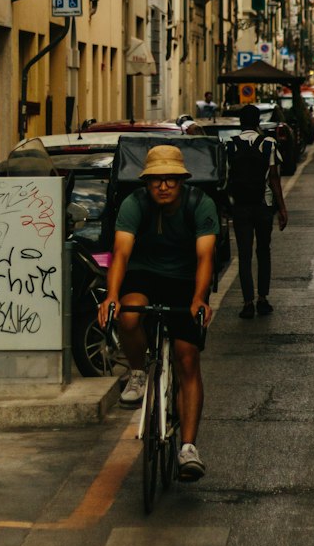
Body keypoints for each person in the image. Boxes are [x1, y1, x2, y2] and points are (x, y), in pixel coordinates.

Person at [98, 143, 217, 482]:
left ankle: (189, 447)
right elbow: (120, 252)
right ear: (146, 183)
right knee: (130, 316)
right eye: (156, 180)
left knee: (187, 356)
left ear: (182, 181)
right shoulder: (133, 204)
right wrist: (112, 297)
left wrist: (199, 298)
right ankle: (137, 372)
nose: (163, 186)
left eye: (171, 179)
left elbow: (206, 257)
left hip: (185, 278)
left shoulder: (200, 204)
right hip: (144, 274)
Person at [226, 104, 288, 319]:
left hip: (241, 206)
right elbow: (274, 178)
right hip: (263, 206)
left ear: (241, 122)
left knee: (244, 255)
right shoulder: (269, 143)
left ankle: (247, 303)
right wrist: (282, 208)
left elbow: (226, 180)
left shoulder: (231, 145)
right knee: (263, 252)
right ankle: (263, 299)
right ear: (258, 122)